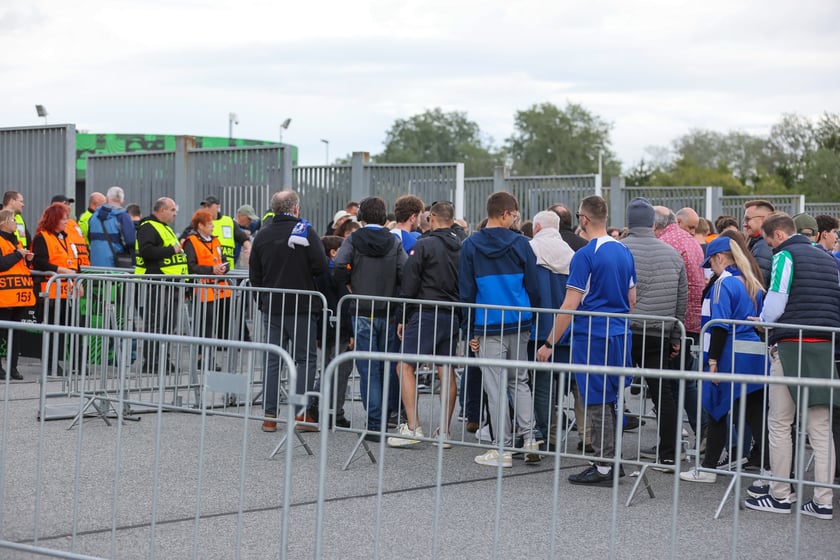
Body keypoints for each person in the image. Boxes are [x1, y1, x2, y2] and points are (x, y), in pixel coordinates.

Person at [744, 213, 840, 520]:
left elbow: (776, 302)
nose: (770, 247)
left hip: (791, 346)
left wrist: (762, 323)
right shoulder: (828, 258)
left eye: (769, 241)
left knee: (781, 422)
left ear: (779, 236)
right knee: (820, 428)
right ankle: (823, 501)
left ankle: (781, 494)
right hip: (825, 345)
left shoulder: (785, 256)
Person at [537, 195, 636, 485]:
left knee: (596, 400)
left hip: (593, 334)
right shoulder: (623, 250)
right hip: (619, 332)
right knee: (612, 399)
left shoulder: (585, 255)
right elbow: (632, 299)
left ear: (583, 219)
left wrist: (549, 342)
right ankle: (609, 460)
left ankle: (604, 465)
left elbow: (570, 304)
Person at [679, 235, 769, 483]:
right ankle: (772, 471)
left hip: (730, 353)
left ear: (719, 258)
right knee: (755, 414)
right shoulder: (750, 281)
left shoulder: (724, 284)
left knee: (717, 409)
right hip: (752, 352)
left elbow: (719, 326)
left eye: (712, 264)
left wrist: (712, 362)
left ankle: (709, 469)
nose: (711, 271)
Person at [460, 191, 540, 468]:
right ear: (505, 213)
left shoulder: (470, 245)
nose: (516, 218)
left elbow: (467, 291)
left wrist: (469, 330)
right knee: (521, 381)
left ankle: (502, 447)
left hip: (487, 322)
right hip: (520, 321)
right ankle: (530, 438)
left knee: (495, 386)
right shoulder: (522, 243)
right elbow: (534, 285)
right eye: (515, 214)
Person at [250, 190, 327, 433]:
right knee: (305, 360)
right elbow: (321, 266)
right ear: (295, 208)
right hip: (302, 305)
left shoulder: (262, 234)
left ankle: (269, 416)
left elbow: (255, 274)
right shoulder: (306, 231)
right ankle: (301, 415)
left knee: (273, 359)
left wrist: (262, 300)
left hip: (272, 306)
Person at [387, 201, 461, 449]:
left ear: (432, 217)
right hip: (452, 313)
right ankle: (445, 432)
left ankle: (413, 426)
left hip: (427, 311)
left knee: (404, 366)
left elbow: (409, 284)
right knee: (446, 368)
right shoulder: (462, 245)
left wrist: (402, 317)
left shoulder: (424, 245)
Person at [334, 196, 406, 442]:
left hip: (362, 310)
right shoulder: (394, 241)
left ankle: (374, 423)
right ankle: (384, 419)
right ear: (384, 217)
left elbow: (338, 266)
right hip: (387, 310)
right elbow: (404, 273)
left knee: (367, 369)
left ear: (362, 216)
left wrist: (350, 284)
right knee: (386, 366)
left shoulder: (354, 238)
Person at [621, 198, 686, 472]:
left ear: (628, 223)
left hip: (623, 330)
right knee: (664, 393)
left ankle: (606, 452)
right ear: (652, 223)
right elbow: (681, 300)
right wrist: (675, 337)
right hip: (658, 332)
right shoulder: (672, 254)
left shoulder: (619, 249)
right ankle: (670, 454)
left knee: (613, 391)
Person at [655, 205, 707, 440]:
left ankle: (677, 441)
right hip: (692, 321)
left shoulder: (668, 242)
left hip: (677, 322)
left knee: (675, 386)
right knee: (684, 382)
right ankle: (702, 434)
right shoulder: (690, 240)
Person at [528, 210, 574, 453]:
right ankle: (558, 435)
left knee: (540, 385)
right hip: (566, 328)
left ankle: (541, 434)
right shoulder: (572, 254)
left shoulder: (531, 249)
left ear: (536, 227)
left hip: (539, 327)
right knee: (563, 385)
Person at [135, 197, 188, 373]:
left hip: (170, 283)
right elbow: (146, 251)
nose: (175, 214)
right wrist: (171, 250)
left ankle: (163, 359)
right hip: (158, 281)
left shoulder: (164, 228)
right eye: (172, 210)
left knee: (168, 325)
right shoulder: (148, 227)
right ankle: (151, 362)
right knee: (155, 324)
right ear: (162, 210)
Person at [32, 202, 81, 376]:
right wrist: (61, 271)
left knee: (68, 329)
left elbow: (75, 263)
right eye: (63, 218)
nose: (66, 222)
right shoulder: (42, 237)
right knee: (52, 330)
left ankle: (73, 363)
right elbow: (40, 261)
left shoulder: (67, 238)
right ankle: (51, 364)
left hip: (68, 292)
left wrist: (78, 282)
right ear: (54, 219)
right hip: (51, 292)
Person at [182, 209, 231, 371]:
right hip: (201, 289)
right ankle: (201, 358)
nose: (212, 227)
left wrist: (224, 268)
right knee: (203, 324)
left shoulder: (215, 241)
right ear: (200, 226)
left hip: (218, 288)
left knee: (213, 324)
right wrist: (212, 270)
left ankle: (208, 357)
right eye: (209, 224)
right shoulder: (191, 242)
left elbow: (223, 260)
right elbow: (191, 266)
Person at [313, 235, 353, 429]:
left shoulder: (319, 272)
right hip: (339, 327)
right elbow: (345, 304)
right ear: (333, 252)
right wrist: (351, 330)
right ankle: (333, 412)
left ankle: (318, 407)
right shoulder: (337, 274)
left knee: (328, 367)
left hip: (325, 326)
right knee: (340, 370)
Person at [0, 209, 34, 380]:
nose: (15, 223)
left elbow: (18, 265)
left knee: (16, 333)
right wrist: (17, 255)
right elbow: (2, 264)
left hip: (18, 295)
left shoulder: (15, 241)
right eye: (12, 220)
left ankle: (13, 368)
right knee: (1, 333)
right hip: (4, 296)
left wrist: (27, 259)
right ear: (3, 223)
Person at [88, 186, 136, 268]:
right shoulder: (123, 216)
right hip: (116, 266)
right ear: (122, 201)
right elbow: (130, 241)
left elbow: (89, 237)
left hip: (95, 265)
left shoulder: (94, 216)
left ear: (106, 199)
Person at [202, 195, 251, 269]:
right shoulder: (201, 223)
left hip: (228, 271)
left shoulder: (229, 221)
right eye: (204, 206)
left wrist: (249, 249)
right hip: (210, 270)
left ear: (218, 207)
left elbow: (243, 239)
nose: (206, 209)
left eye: (209, 206)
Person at [51, 195, 90, 268]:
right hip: (68, 268)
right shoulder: (55, 225)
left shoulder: (73, 223)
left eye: (69, 205)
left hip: (83, 266)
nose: (68, 207)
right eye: (65, 204)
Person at [742, 200, 775, 288]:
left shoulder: (763, 246)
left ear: (764, 219)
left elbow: (759, 284)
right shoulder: (756, 243)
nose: (744, 224)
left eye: (748, 219)